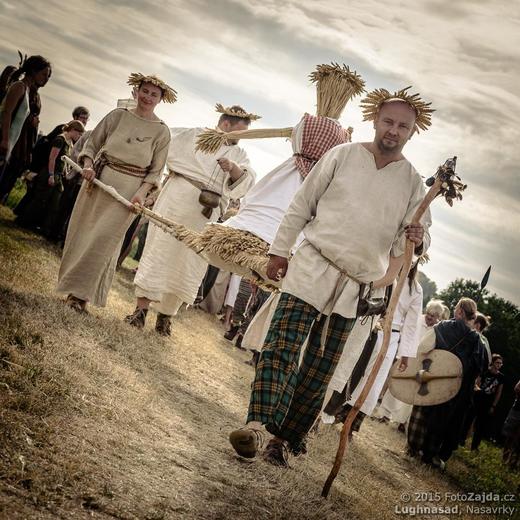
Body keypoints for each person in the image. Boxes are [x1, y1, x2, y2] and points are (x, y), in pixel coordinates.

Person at [228, 86, 434, 467]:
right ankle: (256, 426)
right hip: (311, 266)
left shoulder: (414, 184)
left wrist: (418, 239)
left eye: (403, 125)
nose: (393, 130)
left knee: (319, 369)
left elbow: (413, 242)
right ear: (375, 120)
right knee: (280, 347)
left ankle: (284, 441)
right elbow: (302, 203)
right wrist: (279, 249)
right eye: (388, 121)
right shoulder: (342, 155)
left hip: (355, 288)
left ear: (412, 130)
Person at [125, 104, 258, 335]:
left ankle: (165, 317)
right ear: (226, 124)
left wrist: (234, 168)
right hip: (176, 202)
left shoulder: (240, 154)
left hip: (207, 214)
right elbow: (163, 139)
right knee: (160, 252)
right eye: (240, 131)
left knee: (188, 263)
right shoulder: (195, 135)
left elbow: (245, 181)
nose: (242, 137)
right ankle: (141, 311)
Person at [56, 73, 175, 313]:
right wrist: (88, 166)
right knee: (84, 234)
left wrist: (141, 194)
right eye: (145, 91)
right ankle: (74, 291)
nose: (148, 97)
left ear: (161, 99)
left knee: (103, 241)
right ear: (136, 91)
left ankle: (80, 297)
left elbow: (155, 171)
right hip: (99, 181)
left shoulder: (162, 132)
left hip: (129, 193)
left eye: (154, 94)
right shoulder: (117, 116)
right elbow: (91, 145)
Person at [407, 298, 486, 468]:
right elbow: (480, 367)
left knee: (423, 412)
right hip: (455, 390)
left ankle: (413, 449)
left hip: (433, 379)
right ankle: (430, 455)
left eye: (456, 308)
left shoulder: (442, 327)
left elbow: (422, 348)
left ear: (459, 312)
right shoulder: (476, 340)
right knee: (443, 420)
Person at [374, 298, 445, 428]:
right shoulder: (417, 320)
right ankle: (384, 414)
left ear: (438, 317)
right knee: (396, 384)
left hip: (421, 364)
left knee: (411, 391)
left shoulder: (438, 329)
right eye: (429, 313)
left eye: (433, 316)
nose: (429, 317)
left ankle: (401, 421)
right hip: (407, 357)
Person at [15, 120, 85, 235]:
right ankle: (22, 221)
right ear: (73, 130)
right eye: (79, 134)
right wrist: (51, 175)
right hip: (49, 173)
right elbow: (52, 158)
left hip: (58, 175)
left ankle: (42, 227)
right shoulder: (60, 139)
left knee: (54, 203)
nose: (79, 137)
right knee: (39, 200)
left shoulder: (69, 143)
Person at [0, 55, 51, 200]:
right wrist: (4, 139)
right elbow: (6, 112)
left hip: (15, 143)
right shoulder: (19, 87)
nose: (46, 79)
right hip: (6, 140)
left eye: (48, 76)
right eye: (44, 74)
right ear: (34, 71)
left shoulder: (29, 91)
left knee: (4, 183)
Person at [470, 353, 504, 450]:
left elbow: (499, 393)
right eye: (497, 363)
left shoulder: (501, 377)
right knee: (469, 419)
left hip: (488, 403)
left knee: (481, 426)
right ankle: (461, 438)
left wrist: (493, 406)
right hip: (477, 399)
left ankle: (474, 446)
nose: (499, 365)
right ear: (492, 363)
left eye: (501, 364)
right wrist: (479, 390)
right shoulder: (484, 371)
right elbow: (476, 383)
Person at [502, 380, 520, 469]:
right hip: (517, 409)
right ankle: (505, 458)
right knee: (509, 435)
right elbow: (516, 388)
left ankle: (513, 462)